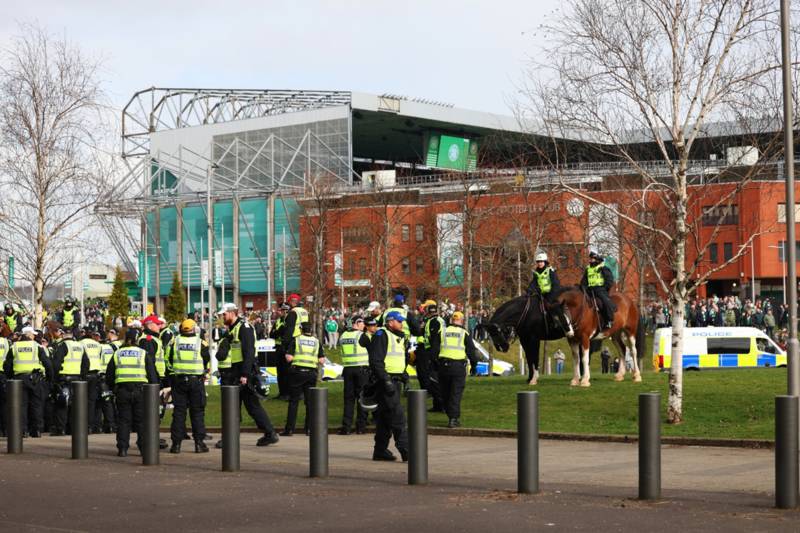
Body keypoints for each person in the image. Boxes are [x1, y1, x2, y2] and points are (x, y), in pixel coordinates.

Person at [216, 303, 280, 448]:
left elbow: (249, 352)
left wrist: (244, 374)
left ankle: (230, 439)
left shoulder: (244, 328)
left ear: (232, 313)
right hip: (238, 371)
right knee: (251, 406)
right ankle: (269, 433)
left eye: (224, 314)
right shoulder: (234, 328)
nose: (222, 317)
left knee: (234, 406)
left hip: (243, 372)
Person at [106, 328, 159, 457]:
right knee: (141, 421)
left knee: (123, 421)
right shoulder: (142, 353)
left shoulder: (117, 353)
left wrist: (114, 388)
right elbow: (152, 375)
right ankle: (143, 448)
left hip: (122, 390)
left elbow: (109, 375)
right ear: (137, 339)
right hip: (140, 391)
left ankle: (122, 448)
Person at [366, 311, 409, 462]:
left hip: (394, 380)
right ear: (390, 322)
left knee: (385, 417)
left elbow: (397, 359)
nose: (401, 324)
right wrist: (386, 380)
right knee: (398, 416)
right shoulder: (382, 335)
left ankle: (380, 450)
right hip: (386, 381)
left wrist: (404, 376)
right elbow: (376, 361)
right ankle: (406, 449)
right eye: (399, 321)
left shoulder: (398, 336)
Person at [167, 319, 210, 453]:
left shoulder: (174, 341)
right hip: (196, 381)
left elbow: (168, 359)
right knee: (197, 412)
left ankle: (176, 445)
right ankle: (199, 443)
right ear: (194, 329)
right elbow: (206, 360)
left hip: (179, 381)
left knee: (179, 412)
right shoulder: (201, 343)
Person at [4, 326, 52, 437]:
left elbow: (7, 365)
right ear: (28, 334)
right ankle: (36, 430)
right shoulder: (36, 346)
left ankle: (23, 431)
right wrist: (50, 378)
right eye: (32, 334)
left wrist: (11, 377)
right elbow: (47, 363)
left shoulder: (14, 347)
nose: (34, 336)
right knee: (36, 405)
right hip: (35, 379)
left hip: (19, 379)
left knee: (22, 405)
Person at [281, 321, 325, 436]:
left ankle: (289, 429)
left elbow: (289, 358)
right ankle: (309, 429)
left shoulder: (296, 340)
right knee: (310, 402)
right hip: (311, 374)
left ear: (301, 329)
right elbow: (322, 360)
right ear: (311, 330)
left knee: (294, 401)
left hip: (297, 373)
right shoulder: (316, 342)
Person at [438, 311, 476, 428]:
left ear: (451, 320)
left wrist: (435, 364)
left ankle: (448, 412)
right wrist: (474, 366)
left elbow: (434, 349)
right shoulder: (464, 333)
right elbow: (471, 351)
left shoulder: (442, 331)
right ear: (462, 320)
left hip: (443, 366)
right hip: (457, 367)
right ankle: (453, 419)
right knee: (456, 393)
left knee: (445, 392)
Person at [50, 328, 88, 436]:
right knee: (74, 406)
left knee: (62, 404)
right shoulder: (80, 346)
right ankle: (72, 429)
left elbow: (56, 363)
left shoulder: (63, 346)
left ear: (63, 335)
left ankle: (60, 429)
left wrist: (55, 377)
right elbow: (86, 363)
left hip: (64, 379)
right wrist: (82, 376)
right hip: (77, 379)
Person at [338, 316, 369, 435]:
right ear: (356, 323)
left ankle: (346, 427)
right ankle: (361, 427)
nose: (364, 325)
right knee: (362, 398)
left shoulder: (343, 336)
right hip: (361, 370)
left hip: (348, 369)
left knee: (348, 399)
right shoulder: (361, 336)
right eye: (362, 322)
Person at [418, 300, 444, 413]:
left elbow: (434, 340)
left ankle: (440, 405)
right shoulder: (437, 320)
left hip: (433, 353)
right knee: (434, 380)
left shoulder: (434, 322)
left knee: (434, 380)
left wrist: (433, 357)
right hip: (435, 352)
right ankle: (437, 404)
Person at [580, 249, 616, 330]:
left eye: (592, 258)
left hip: (600, 289)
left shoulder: (603, 268)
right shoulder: (588, 269)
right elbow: (584, 281)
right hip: (589, 290)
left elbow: (609, 280)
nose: (590, 260)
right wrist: (583, 287)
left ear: (597, 259)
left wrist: (604, 288)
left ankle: (609, 320)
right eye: (590, 258)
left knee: (605, 302)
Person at [80, 330, 104, 433]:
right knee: (92, 401)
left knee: (81, 401)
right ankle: (92, 425)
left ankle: (83, 425)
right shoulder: (97, 344)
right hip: (95, 374)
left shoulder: (80, 343)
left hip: (85, 374)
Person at [270, 303, 291, 399]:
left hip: (286, 348)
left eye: (285, 310)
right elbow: (271, 334)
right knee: (280, 372)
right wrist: (279, 332)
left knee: (287, 372)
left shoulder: (289, 321)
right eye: (282, 310)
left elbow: (286, 334)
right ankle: (281, 393)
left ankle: (287, 393)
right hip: (278, 349)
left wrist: (278, 333)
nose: (283, 312)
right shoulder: (278, 321)